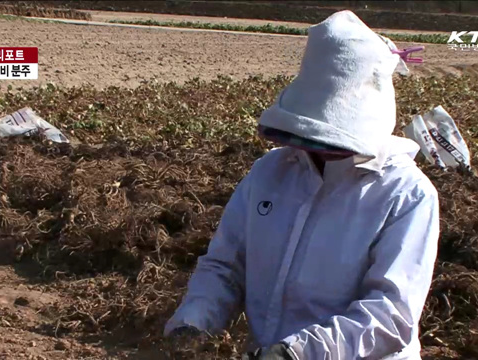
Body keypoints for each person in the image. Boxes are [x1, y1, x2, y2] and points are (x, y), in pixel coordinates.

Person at [164, 10, 440, 360]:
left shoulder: (405, 195)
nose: (313, 147)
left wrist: (296, 353)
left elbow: (389, 314)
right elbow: (224, 267)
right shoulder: (270, 173)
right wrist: (193, 324)